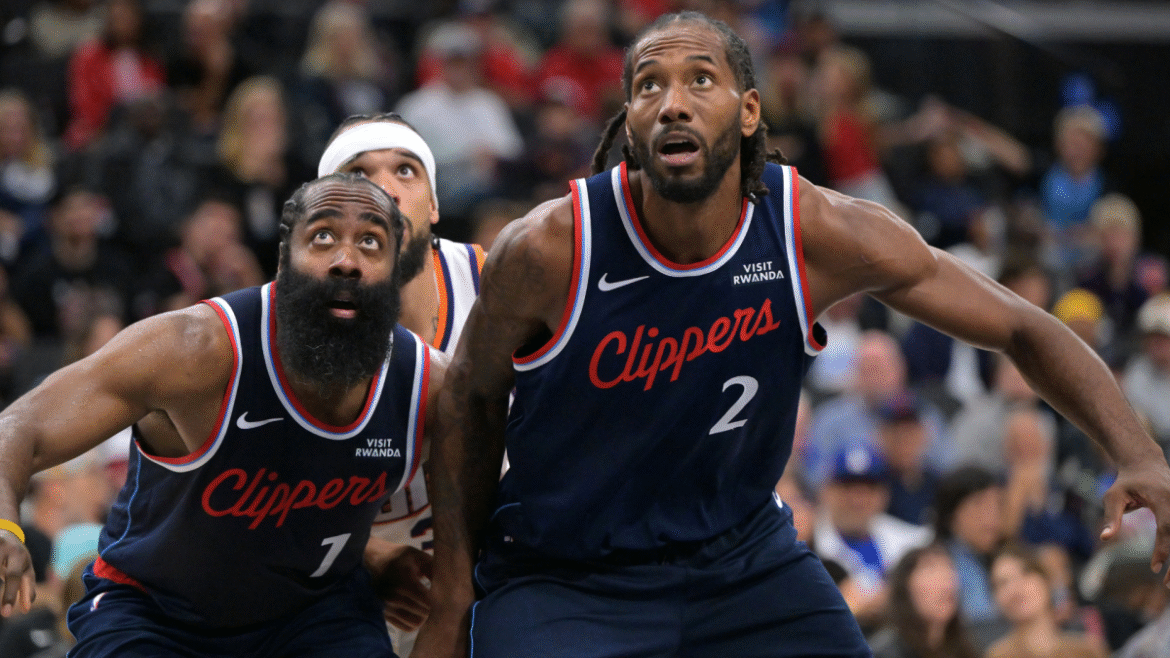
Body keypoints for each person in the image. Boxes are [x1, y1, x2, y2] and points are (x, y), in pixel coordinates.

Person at [413, 11, 1170, 658]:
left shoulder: (812, 231)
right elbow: (467, 402)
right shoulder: (551, 248)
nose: (672, 103)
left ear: (748, 111)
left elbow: (1022, 326)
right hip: (567, 573)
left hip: (741, 563)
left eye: (699, 80)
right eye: (648, 86)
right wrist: (452, 594)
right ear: (630, 123)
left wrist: (1137, 453)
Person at [0, 173, 447, 657]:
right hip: (158, 613)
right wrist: (5, 527)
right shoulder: (195, 349)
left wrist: (374, 556)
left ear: (397, 271)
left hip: (315, 616)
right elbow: (20, 427)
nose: (346, 260)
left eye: (370, 242)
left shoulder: (428, 387)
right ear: (283, 259)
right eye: (323, 236)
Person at [318, 112, 486, 656]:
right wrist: (366, 555)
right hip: (345, 580)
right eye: (359, 174)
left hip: (494, 569)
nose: (386, 189)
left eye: (406, 171)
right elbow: (250, 503)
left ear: (433, 204)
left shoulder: (494, 282)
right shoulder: (293, 326)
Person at [985, 543, 1108, 658]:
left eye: (1025, 573)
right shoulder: (996, 655)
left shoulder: (1088, 650)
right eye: (1002, 583)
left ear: (1047, 580)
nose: (1015, 588)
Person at [868, 543, 978, 658]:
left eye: (949, 568)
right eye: (931, 570)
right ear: (905, 588)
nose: (946, 582)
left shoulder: (968, 645)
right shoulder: (885, 652)